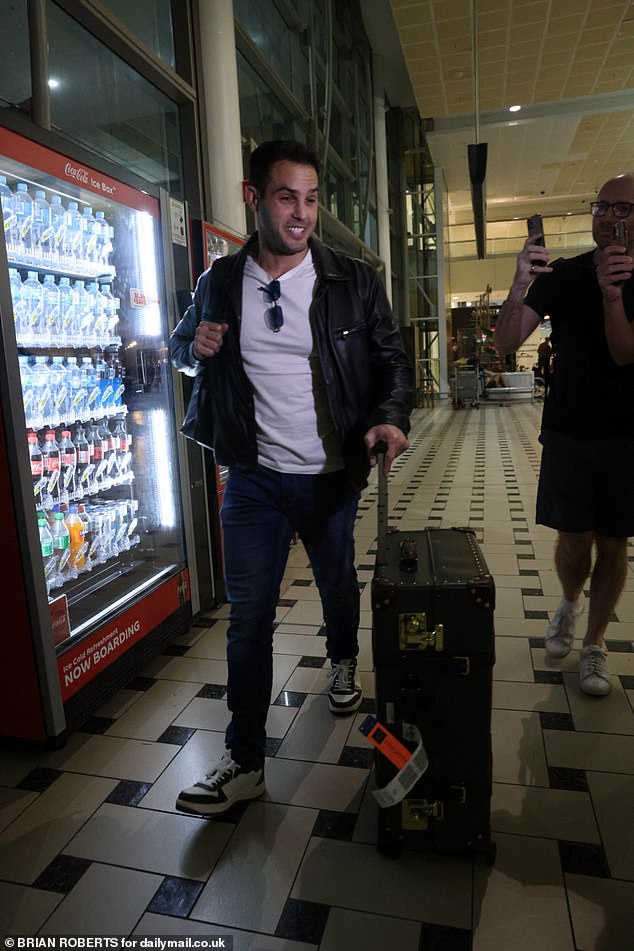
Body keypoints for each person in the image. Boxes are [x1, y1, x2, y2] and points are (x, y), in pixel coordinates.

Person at [170, 140, 414, 815]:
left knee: (339, 583)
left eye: (310, 199)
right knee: (247, 621)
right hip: (253, 478)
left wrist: (390, 418)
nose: (302, 212)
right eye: (286, 197)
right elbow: (180, 343)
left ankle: (342, 657)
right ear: (255, 198)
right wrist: (194, 346)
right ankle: (246, 759)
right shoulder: (221, 280)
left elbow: (393, 364)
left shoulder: (355, 280)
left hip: (330, 474)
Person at [494, 174, 634, 697]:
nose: (609, 216)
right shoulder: (564, 275)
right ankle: (569, 604)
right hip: (568, 431)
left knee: (614, 542)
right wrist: (519, 285)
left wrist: (613, 298)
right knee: (574, 539)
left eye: (623, 208)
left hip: (627, 435)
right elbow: (508, 343)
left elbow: (624, 352)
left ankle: (596, 643)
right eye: (602, 205)